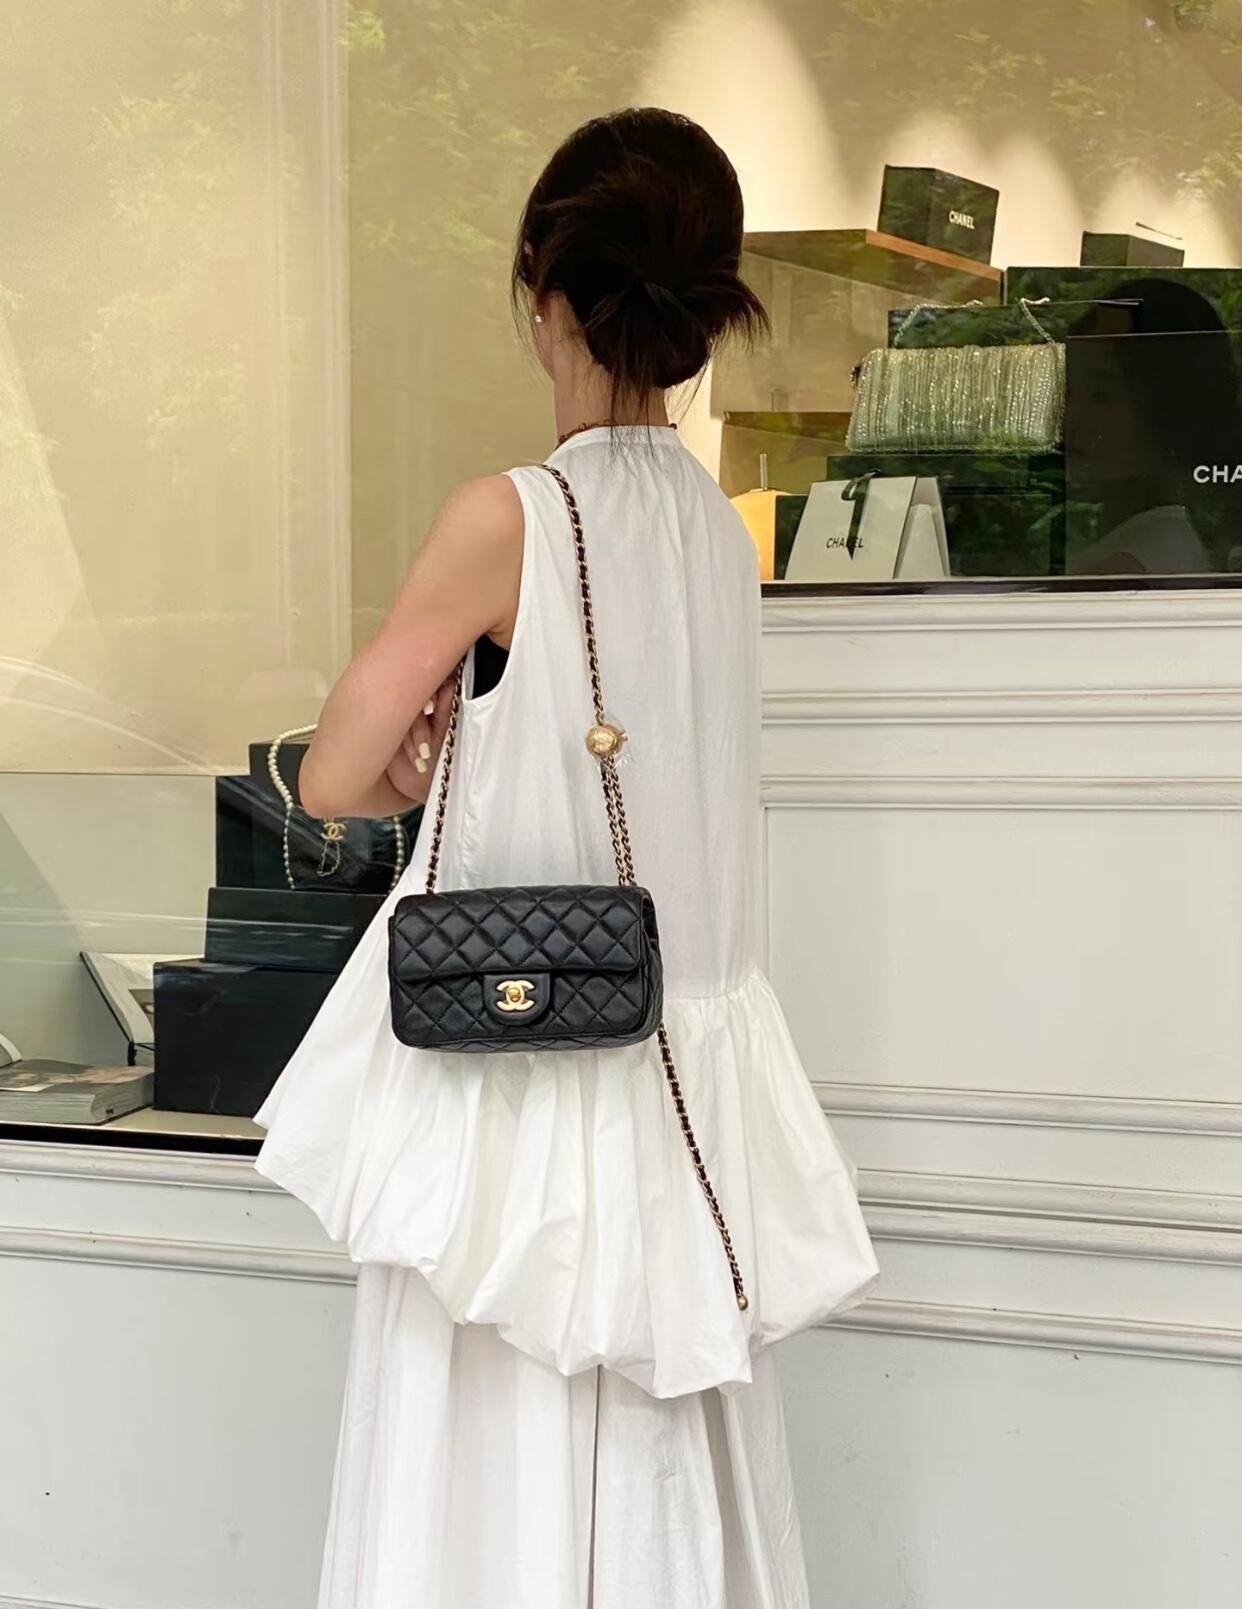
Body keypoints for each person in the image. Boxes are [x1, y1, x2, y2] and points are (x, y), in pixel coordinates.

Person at [253, 107, 877, 1608]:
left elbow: (334, 774)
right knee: (652, 1464)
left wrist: (427, 750)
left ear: (544, 290)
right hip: (672, 1091)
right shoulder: (715, 530)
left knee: (488, 1460)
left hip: (521, 1086)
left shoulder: (510, 518)